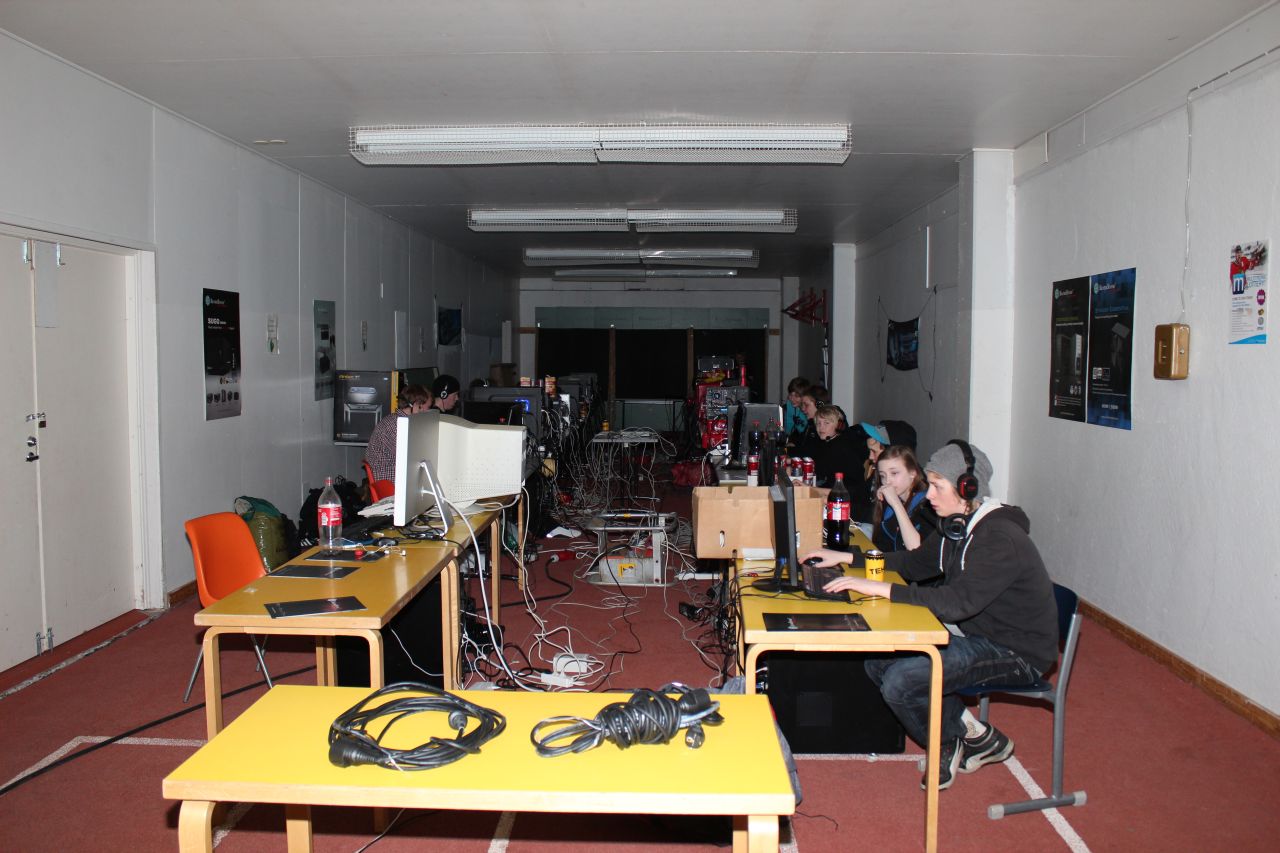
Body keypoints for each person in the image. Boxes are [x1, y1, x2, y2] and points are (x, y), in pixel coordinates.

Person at [804, 440, 1058, 791]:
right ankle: (977, 736)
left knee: (901, 682)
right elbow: (914, 563)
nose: (930, 495)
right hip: (979, 636)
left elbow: (955, 604)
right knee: (877, 660)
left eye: (938, 486)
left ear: (968, 488)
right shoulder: (957, 525)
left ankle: (946, 742)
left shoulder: (999, 538)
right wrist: (848, 558)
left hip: (1016, 652)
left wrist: (880, 588)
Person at [364, 384, 433, 481]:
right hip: (390, 482)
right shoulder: (396, 425)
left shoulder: (400, 421)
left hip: (392, 478)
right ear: (417, 405)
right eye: (428, 407)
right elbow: (413, 458)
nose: (428, 411)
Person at [871, 445, 930, 552]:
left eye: (894, 473)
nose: (887, 481)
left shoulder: (927, 504)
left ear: (912, 473)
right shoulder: (889, 504)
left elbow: (916, 549)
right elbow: (882, 546)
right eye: (882, 475)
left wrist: (896, 503)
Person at [783, 376, 811, 443]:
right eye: (790, 395)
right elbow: (788, 426)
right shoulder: (790, 405)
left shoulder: (809, 410)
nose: (792, 399)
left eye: (796, 396)